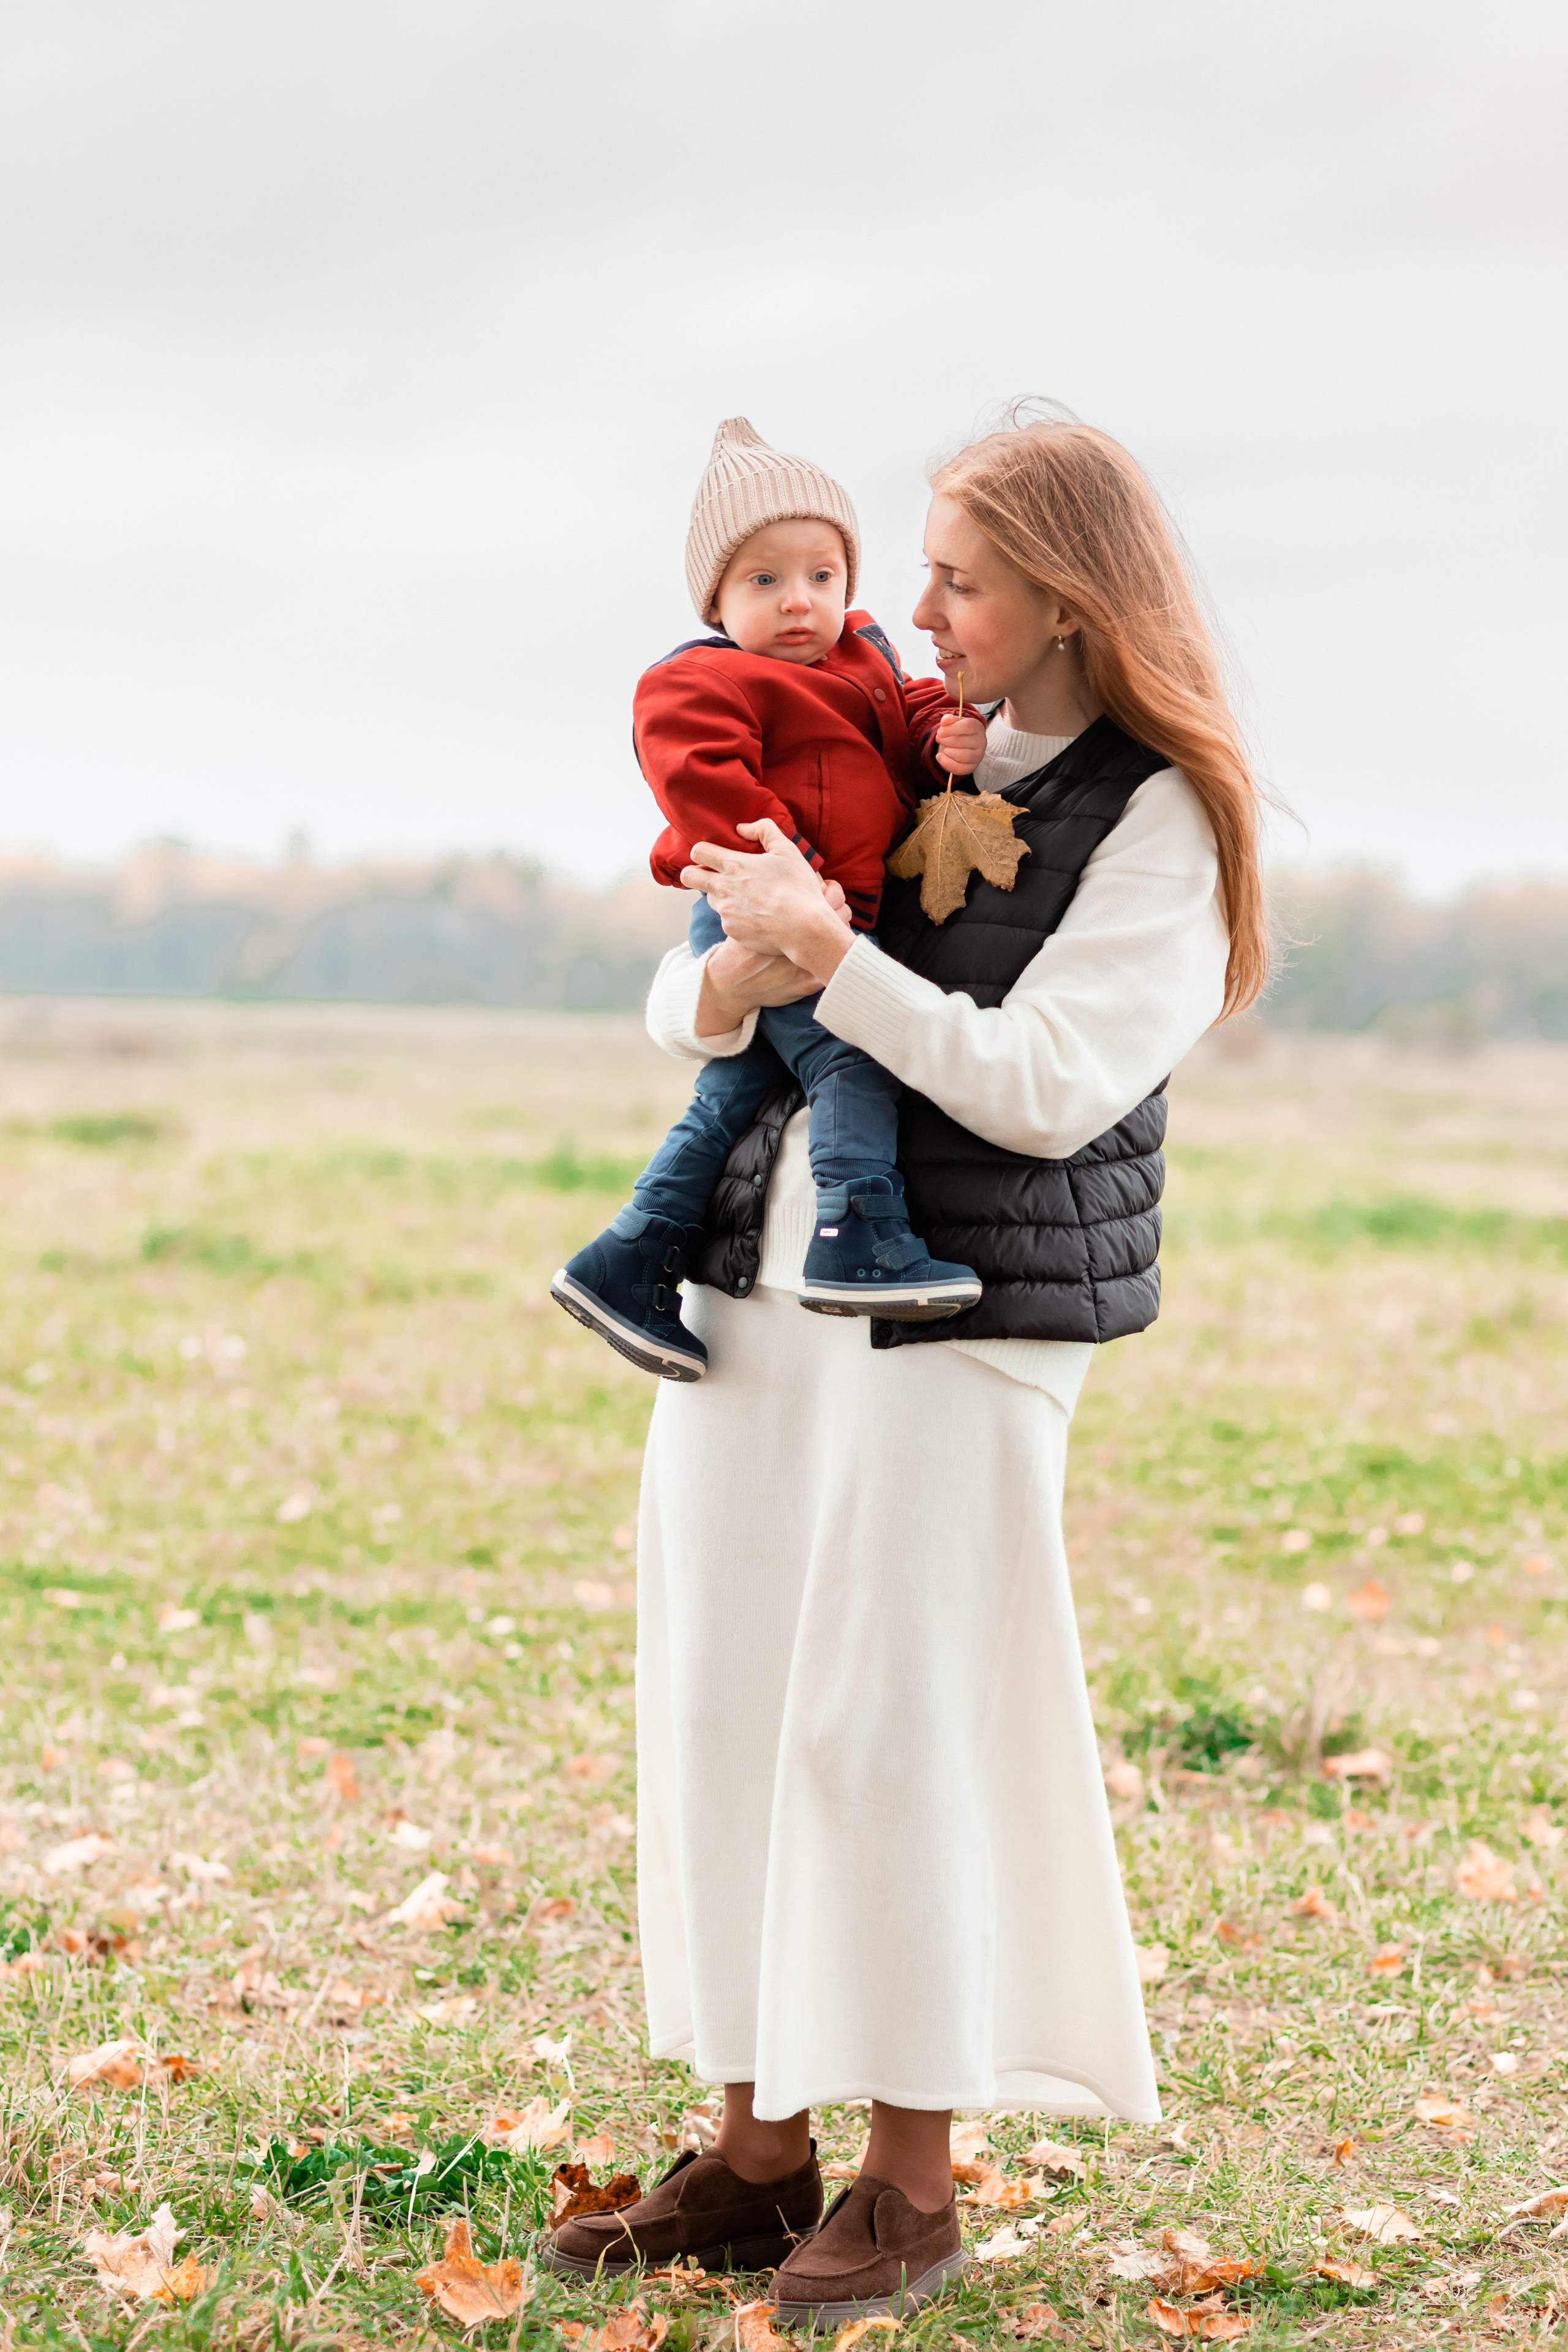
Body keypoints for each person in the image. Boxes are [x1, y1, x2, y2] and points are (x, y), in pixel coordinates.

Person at [543, 408, 1267, 2326]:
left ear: (1065, 596)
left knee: (889, 1718)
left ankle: (913, 2182)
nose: (913, 605)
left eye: (956, 576)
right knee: (730, 1688)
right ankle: (759, 2150)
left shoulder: (1165, 816)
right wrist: (726, 974)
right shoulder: (881, 722)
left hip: (976, 1316)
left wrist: (827, 961)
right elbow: (699, 962)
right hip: (758, 1294)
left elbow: (1042, 1089)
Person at [551, 418, 984, 1383]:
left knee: (739, 1088)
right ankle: (857, 1230)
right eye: (765, 581)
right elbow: (703, 785)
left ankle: (629, 1256)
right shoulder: (700, 680)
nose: (800, 603)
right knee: (853, 1053)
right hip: (756, 899)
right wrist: (783, 871)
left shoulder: (864, 654)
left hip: (836, 907)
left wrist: (940, 737)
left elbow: (900, 721)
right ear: (717, 597)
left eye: (822, 577)